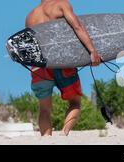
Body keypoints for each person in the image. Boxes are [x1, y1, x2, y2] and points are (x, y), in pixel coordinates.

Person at [25, 0, 101, 136]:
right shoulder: (61, 5)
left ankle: (46, 139)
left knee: (44, 109)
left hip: (39, 67)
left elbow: (29, 47)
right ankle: (64, 133)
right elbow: (77, 27)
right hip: (61, 61)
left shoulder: (31, 15)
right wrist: (92, 50)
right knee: (75, 102)